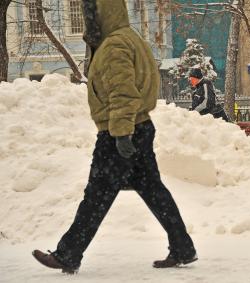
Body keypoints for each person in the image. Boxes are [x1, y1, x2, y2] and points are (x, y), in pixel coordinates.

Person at [32, 0, 197, 273]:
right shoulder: (131, 38)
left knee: (96, 195)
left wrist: (121, 135)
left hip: (119, 131)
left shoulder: (114, 46)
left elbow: (123, 93)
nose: (88, 23)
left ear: (100, 14)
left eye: (89, 15)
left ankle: (68, 254)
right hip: (139, 126)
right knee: (154, 191)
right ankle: (183, 247)